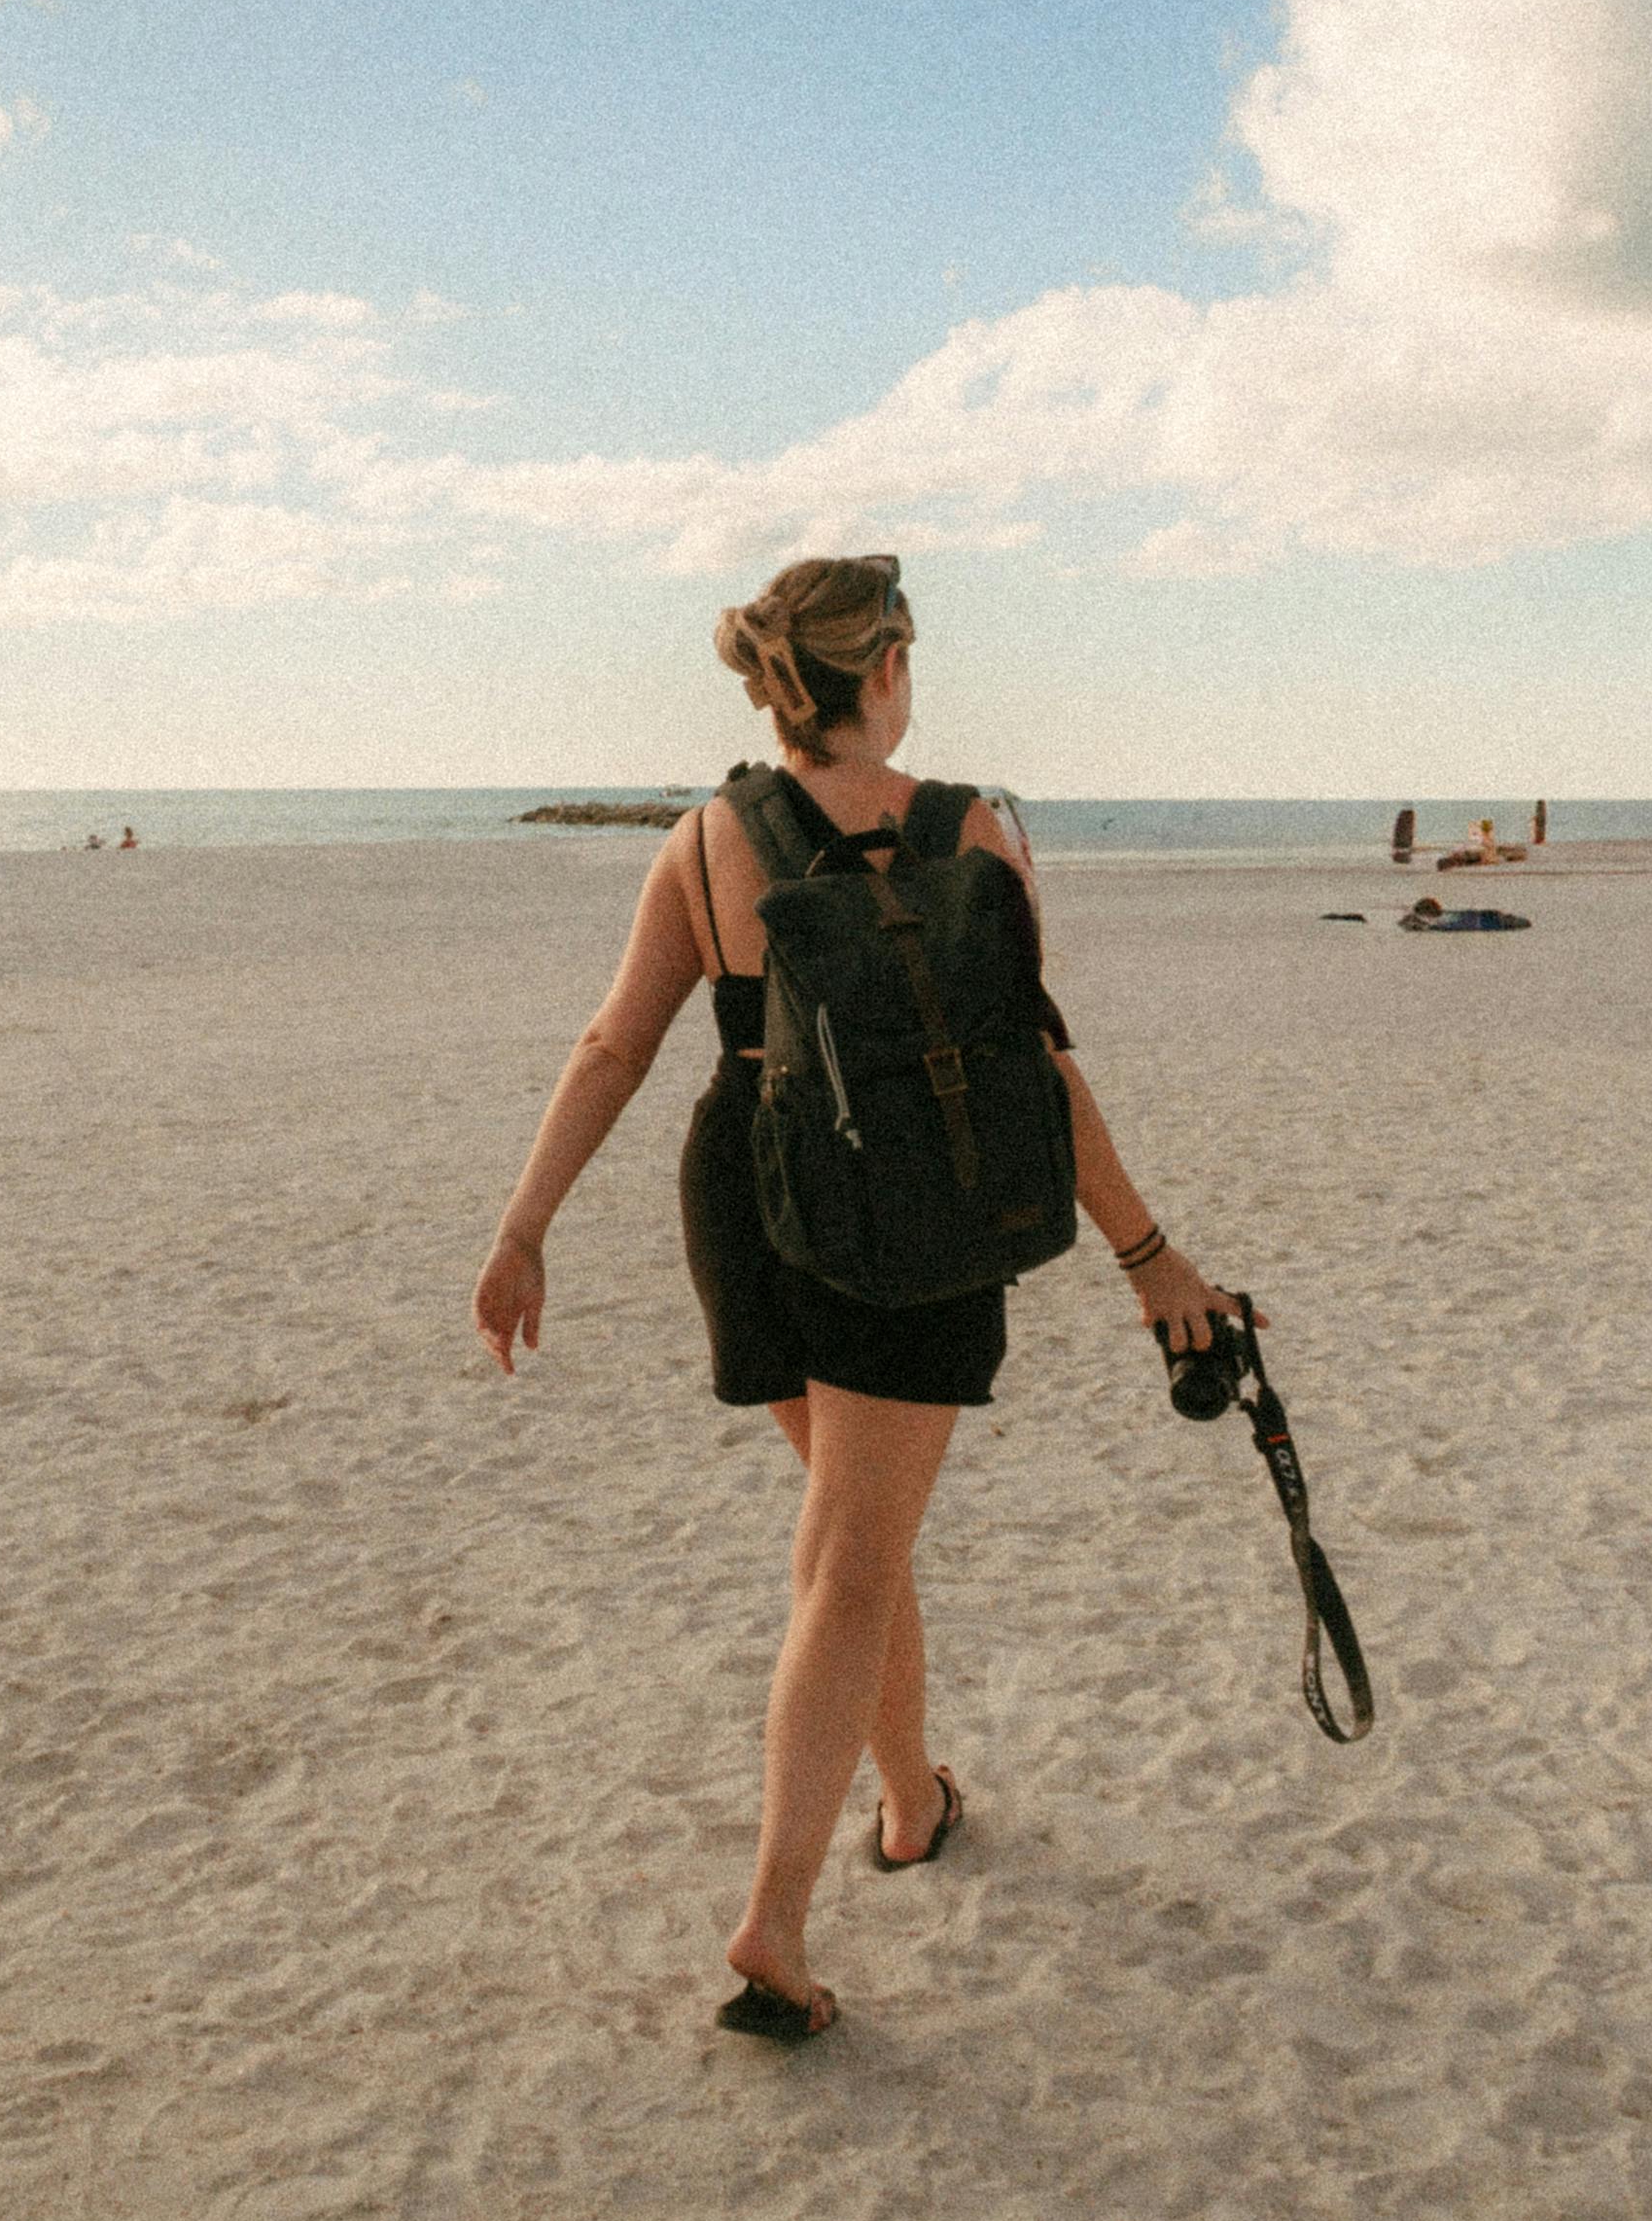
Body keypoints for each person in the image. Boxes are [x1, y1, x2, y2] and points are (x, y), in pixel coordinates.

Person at [471, 554, 1254, 2043]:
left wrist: (524, 1227)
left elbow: (612, 1047)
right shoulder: (974, 832)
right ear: (882, 665)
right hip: (918, 1206)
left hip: (753, 1200)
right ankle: (771, 1921)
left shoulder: (709, 840)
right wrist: (1151, 1259)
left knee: (855, 1538)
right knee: (846, 1557)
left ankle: (909, 1802)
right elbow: (1034, 1069)